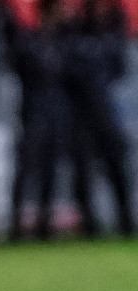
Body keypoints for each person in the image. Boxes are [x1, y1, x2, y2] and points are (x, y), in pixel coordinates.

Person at [4, 0, 74, 242]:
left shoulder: (62, 42)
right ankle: (14, 225)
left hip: (57, 114)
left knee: (49, 171)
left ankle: (45, 226)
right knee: (25, 171)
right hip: (33, 114)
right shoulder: (28, 41)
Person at [64, 0, 133, 238]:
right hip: (81, 114)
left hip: (105, 111)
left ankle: (125, 220)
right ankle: (89, 225)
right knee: (82, 172)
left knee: (116, 168)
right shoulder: (73, 32)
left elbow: (118, 70)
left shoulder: (111, 33)